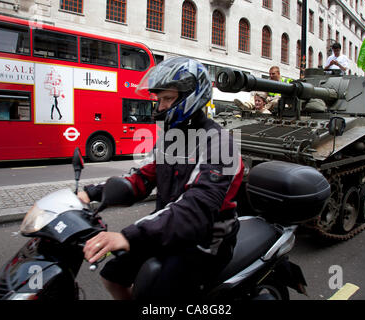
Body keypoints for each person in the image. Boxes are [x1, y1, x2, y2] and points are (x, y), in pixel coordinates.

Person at [78, 57, 243, 301]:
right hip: (169, 230)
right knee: (112, 275)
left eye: (167, 99)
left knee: (157, 292)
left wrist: (127, 236)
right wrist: (90, 193)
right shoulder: (171, 138)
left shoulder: (220, 144)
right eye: (159, 99)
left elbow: (195, 209)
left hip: (206, 241)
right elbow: (142, 178)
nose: (161, 106)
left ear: (191, 97)